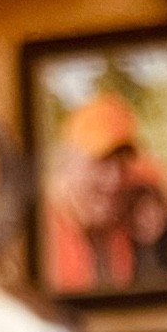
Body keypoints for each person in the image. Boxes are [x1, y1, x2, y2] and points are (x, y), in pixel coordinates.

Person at [42, 93, 142, 292]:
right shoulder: (36, 240)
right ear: (68, 164)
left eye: (123, 165)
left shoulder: (130, 231)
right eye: (101, 163)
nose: (114, 180)